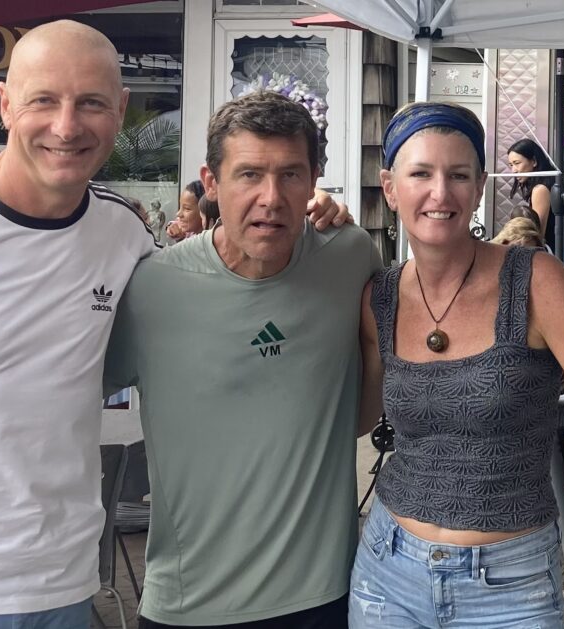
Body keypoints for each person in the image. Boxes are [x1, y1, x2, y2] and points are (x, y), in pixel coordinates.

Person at [0, 21, 349, 629]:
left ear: (120, 111)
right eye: (44, 100)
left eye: (91, 103)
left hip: (60, 589)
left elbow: (192, 318)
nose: (67, 125)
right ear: (5, 104)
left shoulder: (123, 235)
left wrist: (316, 212)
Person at [350, 102, 564, 629]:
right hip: (387, 574)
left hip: (510, 588)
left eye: (458, 175)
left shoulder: (535, 282)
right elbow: (356, 419)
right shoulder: (379, 297)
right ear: (390, 188)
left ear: (479, 187)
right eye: (420, 174)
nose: (440, 193)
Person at [102, 90, 383, 627]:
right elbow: (61, 399)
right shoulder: (152, 287)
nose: (271, 198)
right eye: (249, 174)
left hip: (323, 597)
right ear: (211, 182)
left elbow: (362, 408)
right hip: (189, 604)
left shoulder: (349, 257)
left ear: (314, 180)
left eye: (290, 175)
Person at [507, 138, 555, 244]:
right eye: (511, 165)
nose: (513, 170)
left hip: (549, 250)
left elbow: (538, 235)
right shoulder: (546, 183)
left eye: (517, 163)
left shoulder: (540, 189)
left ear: (534, 161)